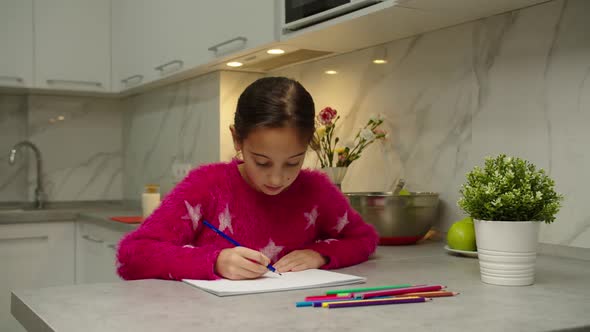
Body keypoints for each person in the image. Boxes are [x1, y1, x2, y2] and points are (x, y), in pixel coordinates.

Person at [117, 77, 379, 281]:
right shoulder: (206, 187)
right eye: (262, 162)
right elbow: (132, 255)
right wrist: (214, 261)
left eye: (293, 162)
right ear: (237, 139)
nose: (277, 178)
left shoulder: (316, 190)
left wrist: (320, 254)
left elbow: (364, 239)